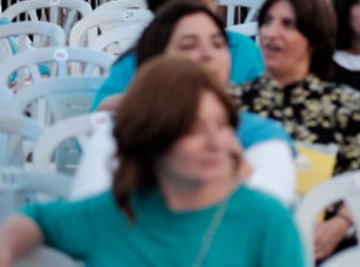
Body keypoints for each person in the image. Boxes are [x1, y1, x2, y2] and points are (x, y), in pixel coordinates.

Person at [0, 57, 304, 267]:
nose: (215, 142)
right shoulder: (113, 213)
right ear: (151, 137)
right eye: (194, 129)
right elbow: (35, 219)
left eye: (223, 125)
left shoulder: (266, 221)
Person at [73, 0, 294, 205]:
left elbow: (271, 215)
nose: (208, 54)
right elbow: (83, 218)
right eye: (189, 45)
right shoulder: (117, 137)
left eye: (218, 44)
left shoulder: (261, 135)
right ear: (157, 61)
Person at [234, 0, 360, 262]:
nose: (271, 32)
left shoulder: (346, 104)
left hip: (327, 247)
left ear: (314, 38)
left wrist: (339, 225)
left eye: (288, 24)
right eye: (267, 21)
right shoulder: (233, 103)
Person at [92, 0, 265, 109]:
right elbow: (97, 116)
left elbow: (266, 107)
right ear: (165, 9)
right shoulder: (140, 56)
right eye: (196, 4)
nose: (209, 11)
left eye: (212, 1)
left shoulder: (240, 47)